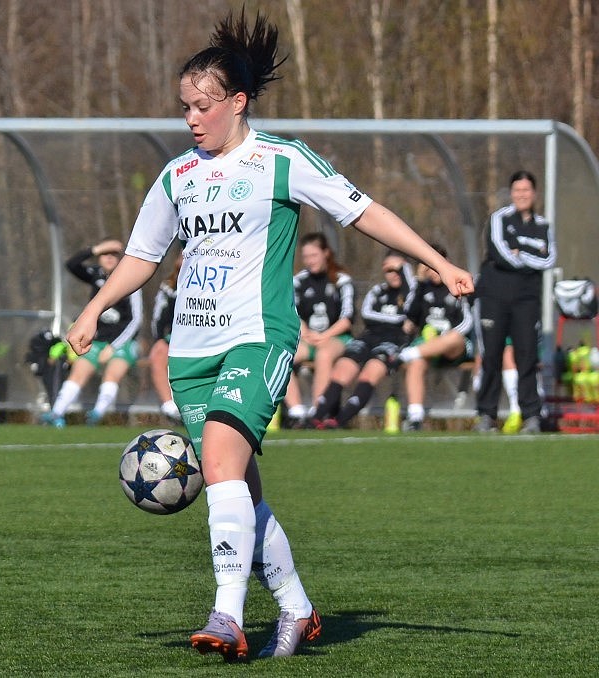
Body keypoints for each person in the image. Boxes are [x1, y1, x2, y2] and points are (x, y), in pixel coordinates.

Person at [64, 11, 474, 661]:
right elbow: (142, 256)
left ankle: (226, 615)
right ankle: (296, 607)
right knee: (239, 490)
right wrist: (94, 309)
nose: (192, 119)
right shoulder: (177, 176)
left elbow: (364, 212)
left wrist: (437, 262)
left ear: (238, 101)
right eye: (184, 107)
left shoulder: (281, 161)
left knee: (220, 466)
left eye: (203, 106)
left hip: (258, 337)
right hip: (191, 353)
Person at [473, 170, 556, 434]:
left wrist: (521, 252)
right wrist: (530, 256)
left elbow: (549, 259)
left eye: (526, 190)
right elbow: (500, 254)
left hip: (526, 300)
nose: (522, 195)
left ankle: (531, 416)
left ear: (534, 193)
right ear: (511, 193)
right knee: (492, 354)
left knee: (527, 355)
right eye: (517, 190)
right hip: (494, 296)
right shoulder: (499, 218)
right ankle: (486, 415)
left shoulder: (543, 226)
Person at [40, 238, 143, 427]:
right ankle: (56, 413)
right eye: (105, 254)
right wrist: (96, 248)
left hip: (122, 341)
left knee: (112, 374)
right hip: (98, 340)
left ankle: (96, 416)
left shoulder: (130, 280)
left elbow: (136, 320)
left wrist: (114, 346)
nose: (109, 258)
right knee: (78, 373)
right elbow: (71, 264)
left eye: (113, 254)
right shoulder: (96, 275)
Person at [310, 252, 415, 429]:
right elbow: (367, 314)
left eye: (399, 269)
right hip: (369, 337)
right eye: (389, 270)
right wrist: (399, 319)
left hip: (394, 341)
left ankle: (339, 421)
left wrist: (405, 273)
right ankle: (315, 418)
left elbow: (411, 313)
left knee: (369, 374)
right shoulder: (378, 291)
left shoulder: (412, 292)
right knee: (341, 370)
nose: (394, 274)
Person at [396, 244, 474, 430]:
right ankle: (415, 417)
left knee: (454, 338)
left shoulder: (457, 285)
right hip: (428, 349)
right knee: (417, 363)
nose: (433, 271)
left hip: (454, 349)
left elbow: (467, 322)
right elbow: (410, 316)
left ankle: (406, 354)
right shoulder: (422, 288)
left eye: (436, 265)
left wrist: (443, 339)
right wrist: (419, 282)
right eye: (428, 266)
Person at [282, 233, 355, 428]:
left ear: (326, 253)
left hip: (337, 338)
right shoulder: (298, 281)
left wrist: (324, 336)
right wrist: (305, 332)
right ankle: (297, 412)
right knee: (282, 355)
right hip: (309, 338)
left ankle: (317, 412)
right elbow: (292, 312)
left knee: (324, 355)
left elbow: (347, 319)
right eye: (306, 256)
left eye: (314, 255)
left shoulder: (341, 280)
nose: (310, 261)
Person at [149, 250, 182, 421]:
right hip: (174, 338)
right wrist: (159, 340)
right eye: (182, 255)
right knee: (158, 354)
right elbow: (158, 316)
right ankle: (171, 408)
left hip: (203, 339)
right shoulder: (168, 287)